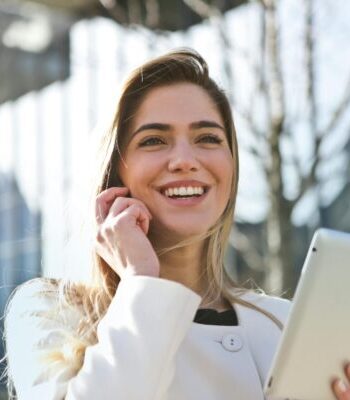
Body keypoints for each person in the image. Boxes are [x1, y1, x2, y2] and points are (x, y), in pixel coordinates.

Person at [2, 48, 350, 400]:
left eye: (208, 138)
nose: (185, 160)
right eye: (153, 140)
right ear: (114, 172)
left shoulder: (286, 324)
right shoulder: (51, 314)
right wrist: (141, 281)